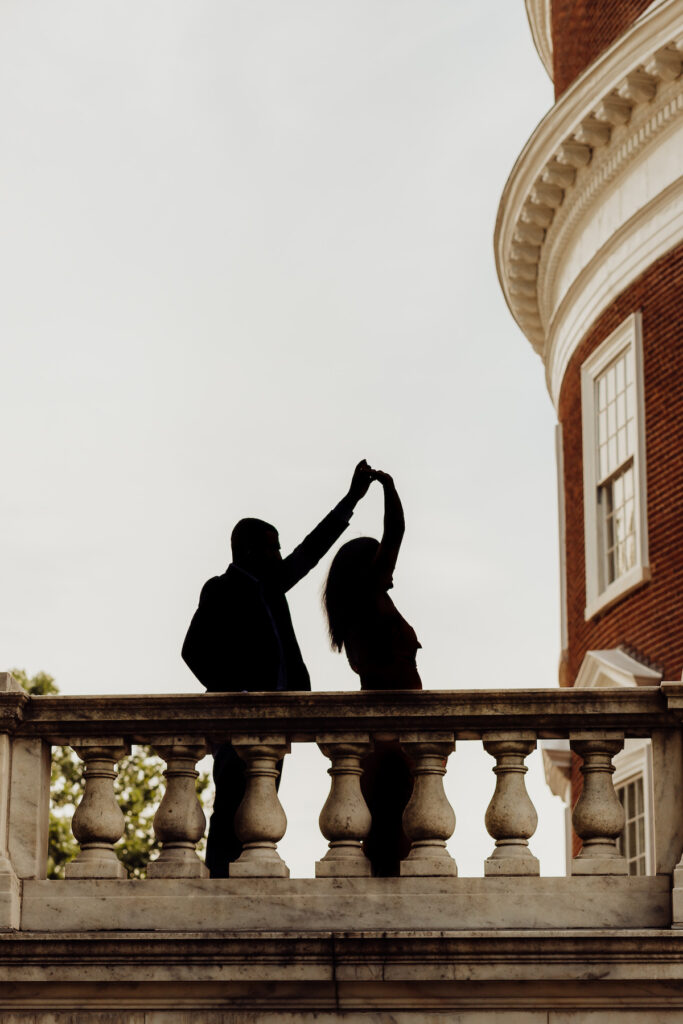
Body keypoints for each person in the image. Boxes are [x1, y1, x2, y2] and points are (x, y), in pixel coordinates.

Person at [182, 460, 373, 877]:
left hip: (276, 718)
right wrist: (238, 694)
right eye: (272, 547)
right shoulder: (223, 589)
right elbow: (192, 650)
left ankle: (245, 877)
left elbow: (310, 550)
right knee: (231, 801)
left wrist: (352, 499)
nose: (280, 554)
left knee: (260, 801)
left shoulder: (271, 584)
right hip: (239, 720)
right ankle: (219, 882)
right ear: (248, 552)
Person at [323, 469, 421, 876]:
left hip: (391, 733)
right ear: (370, 568)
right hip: (389, 735)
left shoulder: (365, 607)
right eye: (382, 558)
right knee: (393, 838)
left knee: (396, 836)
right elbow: (396, 532)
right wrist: (389, 487)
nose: (392, 567)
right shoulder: (368, 599)